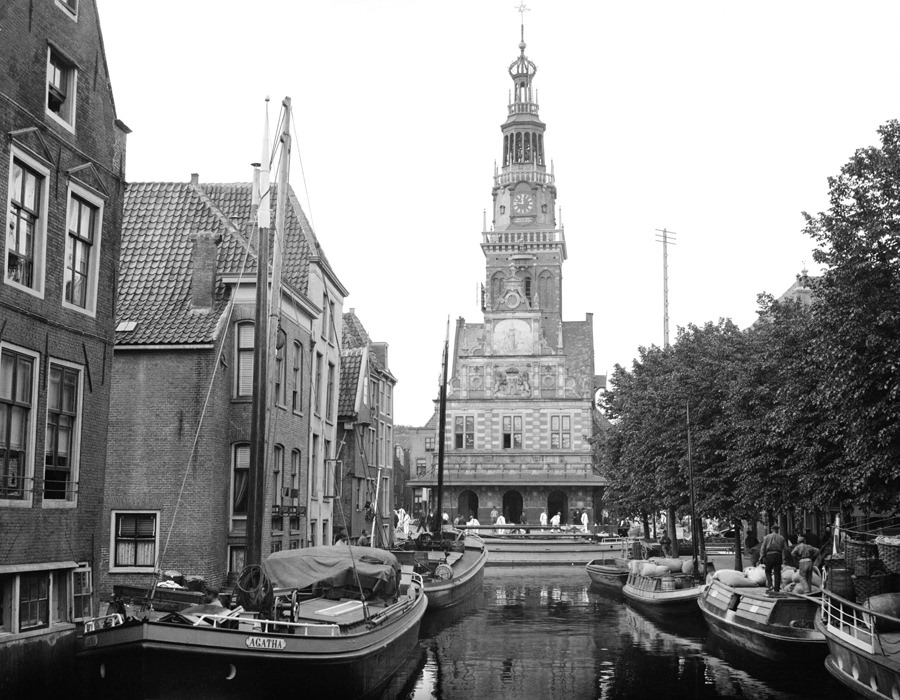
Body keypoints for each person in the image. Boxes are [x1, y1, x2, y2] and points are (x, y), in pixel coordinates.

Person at [760, 525, 789, 593]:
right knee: (777, 572)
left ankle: (770, 586)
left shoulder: (767, 537)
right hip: (778, 555)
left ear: (771, 529)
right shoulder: (781, 538)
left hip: (769, 555)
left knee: (768, 571)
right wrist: (785, 558)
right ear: (777, 530)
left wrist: (761, 556)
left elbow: (763, 548)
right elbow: (786, 549)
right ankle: (776, 589)